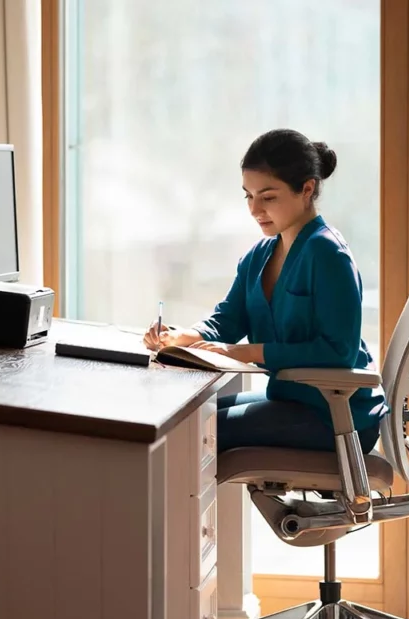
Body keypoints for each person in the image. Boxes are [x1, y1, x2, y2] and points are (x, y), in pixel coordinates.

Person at [143, 128, 388, 454]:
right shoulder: (259, 255)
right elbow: (227, 320)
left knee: (194, 436)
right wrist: (184, 337)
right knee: (188, 421)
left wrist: (249, 352)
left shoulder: (328, 254)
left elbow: (337, 352)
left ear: (307, 189)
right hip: (292, 398)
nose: (255, 209)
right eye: (248, 195)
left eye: (268, 197)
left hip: (338, 416)